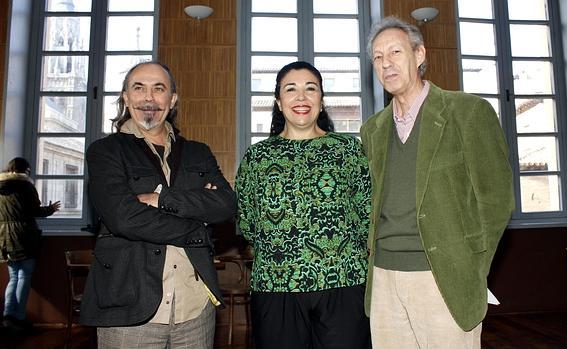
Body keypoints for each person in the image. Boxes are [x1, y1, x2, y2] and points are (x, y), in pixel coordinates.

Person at [362, 17, 515, 348]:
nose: (386, 63)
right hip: (384, 280)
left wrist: (468, 268)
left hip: (443, 278)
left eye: (395, 52)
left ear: (419, 55)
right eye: (377, 57)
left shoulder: (467, 112)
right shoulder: (371, 130)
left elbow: (497, 201)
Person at [80, 61, 236, 349]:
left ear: (172, 99)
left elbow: (226, 205)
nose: (148, 98)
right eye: (139, 88)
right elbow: (124, 219)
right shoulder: (105, 152)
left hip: (196, 308)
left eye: (158, 89)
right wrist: (197, 227)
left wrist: (160, 199)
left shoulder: (198, 153)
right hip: (128, 308)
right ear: (126, 97)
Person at [235, 61, 372, 349]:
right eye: (291, 89)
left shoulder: (348, 150)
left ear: (321, 101)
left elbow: (367, 210)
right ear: (278, 101)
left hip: (343, 282)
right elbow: (246, 219)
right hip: (275, 285)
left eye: (310, 89)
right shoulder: (256, 157)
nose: (301, 97)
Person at [0, 157, 60, 333]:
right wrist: (51, 209)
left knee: (13, 277)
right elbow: (35, 210)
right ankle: (19, 317)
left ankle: (7, 315)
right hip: (24, 235)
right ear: (26, 170)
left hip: (4, 236)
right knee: (24, 276)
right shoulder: (25, 185)